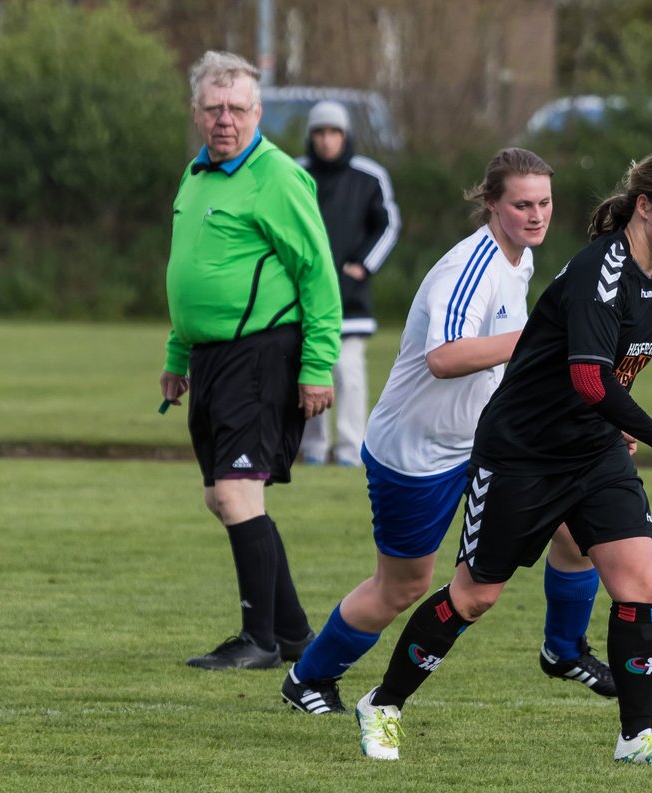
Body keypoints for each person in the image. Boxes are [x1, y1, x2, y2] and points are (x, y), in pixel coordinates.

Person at [350, 150, 652, 765]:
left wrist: (617, 429)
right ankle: (382, 706)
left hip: (591, 452)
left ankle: (637, 737)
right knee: (474, 597)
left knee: (637, 583)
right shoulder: (603, 269)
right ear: (645, 206)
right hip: (523, 453)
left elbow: (614, 375)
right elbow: (590, 379)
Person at [280, 148, 616, 716]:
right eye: (522, 204)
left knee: (574, 533)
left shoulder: (520, 259)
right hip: (417, 451)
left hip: (490, 443)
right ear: (490, 203)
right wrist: (540, 337)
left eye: (545, 203)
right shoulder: (469, 269)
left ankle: (562, 649)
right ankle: (307, 678)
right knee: (403, 586)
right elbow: (445, 356)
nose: (537, 216)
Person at [159, 51, 341, 670]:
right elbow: (189, 274)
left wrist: (318, 365)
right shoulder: (196, 175)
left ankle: (258, 640)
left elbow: (318, 276)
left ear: (258, 112)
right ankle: (293, 637)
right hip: (210, 358)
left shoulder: (278, 177)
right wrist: (177, 353)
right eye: (214, 108)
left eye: (238, 108)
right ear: (196, 111)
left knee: (238, 494)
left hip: (261, 353)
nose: (225, 120)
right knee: (225, 498)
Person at [297, 100, 401, 468]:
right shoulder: (294, 173)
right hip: (303, 297)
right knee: (310, 369)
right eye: (320, 133)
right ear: (310, 136)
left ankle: (349, 449)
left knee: (348, 372)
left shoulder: (369, 176)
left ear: (346, 135)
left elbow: (388, 225)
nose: (327, 140)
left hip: (350, 299)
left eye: (334, 132)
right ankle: (311, 447)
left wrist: (363, 266)